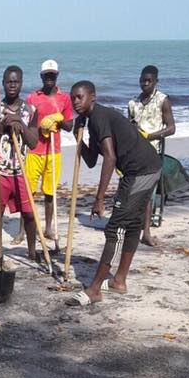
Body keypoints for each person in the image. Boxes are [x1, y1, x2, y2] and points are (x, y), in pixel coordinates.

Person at [68, 80, 162, 306]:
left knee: (115, 228)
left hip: (142, 170)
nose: (75, 102)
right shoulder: (92, 123)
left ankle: (94, 289)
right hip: (140, 169)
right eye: (73, 99)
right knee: (132, 224)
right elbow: (91, 160)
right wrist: (76, 134)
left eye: (79, 97)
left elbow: (109, 157)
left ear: (92, 97)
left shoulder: (100, 117)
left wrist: (99, 198)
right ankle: (119, 281)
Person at [14, 59, 73, 245]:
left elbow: (70, 125)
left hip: (53, 152)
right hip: (34, 151)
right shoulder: (33, 98)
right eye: (46, 75)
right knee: (28, 193)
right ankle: (22, 230)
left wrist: (58, 119)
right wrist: (39, 126)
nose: (49, 79)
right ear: (41, 76)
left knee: (50, 192)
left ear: (57, 76)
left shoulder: (64, 98)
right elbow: (26, 122)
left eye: (52, 76)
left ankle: (48, 228)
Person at [0, 67, 39, 260]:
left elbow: (33, 142)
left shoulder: (30, 110)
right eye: (9, 82)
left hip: (20, 170)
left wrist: (20, 122)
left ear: (21, 83)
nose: (12, 85)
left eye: (16, 81)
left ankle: (32, 251)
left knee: (28, 213)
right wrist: (4, 124)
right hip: (0, 171)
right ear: (3, 83)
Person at [128, 65, 175, 245]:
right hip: (134, 151)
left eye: (149, 81)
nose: (145, 84)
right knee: (131, 190)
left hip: (152, 151)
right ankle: (133, 225)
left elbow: (171, 128)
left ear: (155, 81)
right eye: (142, 80)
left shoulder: (162, 100)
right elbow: (128, 126)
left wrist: (151, 136)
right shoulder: (133, 103)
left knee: (148, 193)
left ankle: (146, 232)